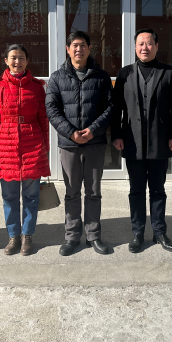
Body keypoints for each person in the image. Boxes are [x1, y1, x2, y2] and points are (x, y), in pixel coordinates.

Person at [112, 28, 172, 253]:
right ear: (135, 47)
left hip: (160, 140)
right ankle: (138, 232)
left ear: (157, 46)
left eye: (149, 43)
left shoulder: (169, 73)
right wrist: (116, 134)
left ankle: (159, 232)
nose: (145, 47)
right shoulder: (124, 74)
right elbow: (116, 108)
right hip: (132, 141)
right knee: (136, 190)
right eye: (141, 44)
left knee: (158, 189)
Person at [46, 31, 113, 256]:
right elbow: (52, 109)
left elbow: (110, 108)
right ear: (68, 49)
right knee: (72, 192)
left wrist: (93, 130)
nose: (78, 49)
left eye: (83, 45)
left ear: (89, 49)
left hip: (95, 143)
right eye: (74, 45)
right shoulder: (57, 77)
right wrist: (71, 133)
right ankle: (72, 236)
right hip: (69, 144)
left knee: (93, 192)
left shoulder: (101, 77)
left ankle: (93, 236)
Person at [0, 44, 50, 256]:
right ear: (6, 61)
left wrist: (45, 149)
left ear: (27, 61)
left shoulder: (37, 87)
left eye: (21, 58)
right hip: (5, 146)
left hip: (32, 144)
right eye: (13, 57)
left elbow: (43, 119)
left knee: (31, 196)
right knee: (9, 196)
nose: (17, 62)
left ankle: (27, 235)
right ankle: (13, 236)